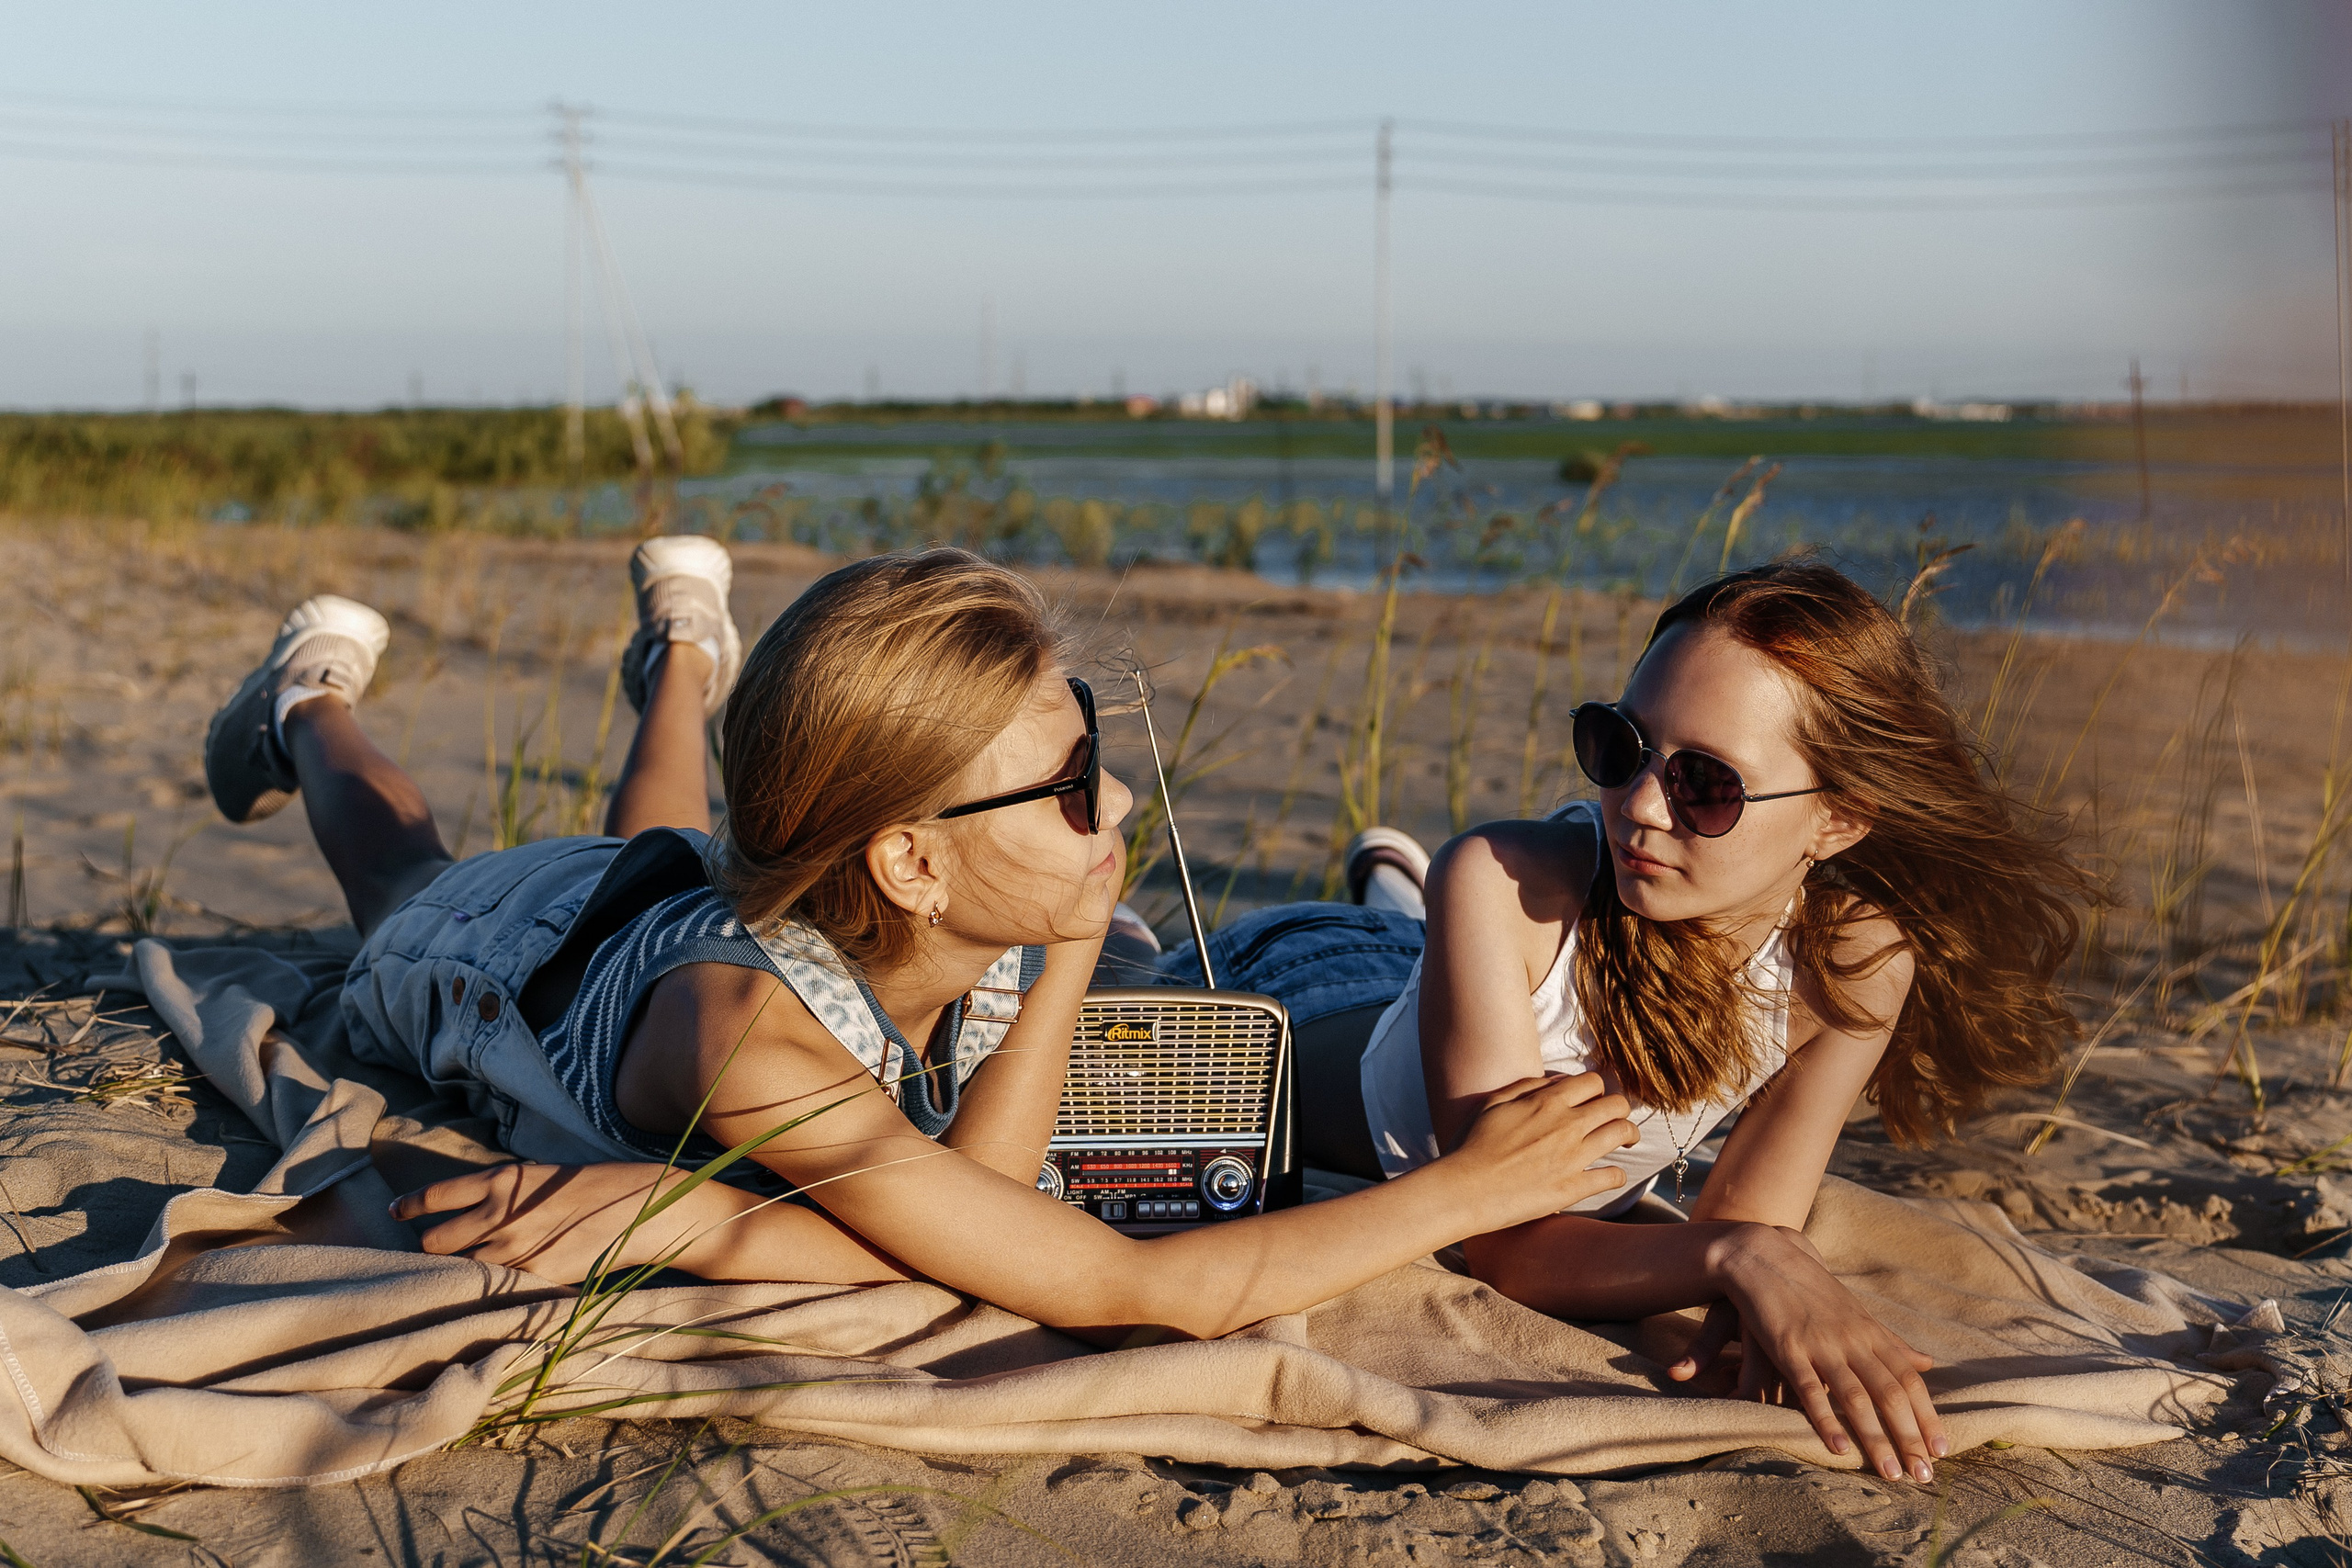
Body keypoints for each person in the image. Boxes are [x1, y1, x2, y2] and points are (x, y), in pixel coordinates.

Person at [200, 542, 1642, 1347]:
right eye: (1070, 786)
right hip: (518, 959)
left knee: (684, 838)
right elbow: (1129, 1285)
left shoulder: (944, 901)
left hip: (721, 903)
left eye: (1094, 744)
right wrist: (1463, 1189)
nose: (1117, 804)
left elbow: (975, 1200)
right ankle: (310, 699)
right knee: (401, 876)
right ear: (912, 860)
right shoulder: (749, 1047)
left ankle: (684, 651)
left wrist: (701, 1217)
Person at [1181, 558, 2093, 1488]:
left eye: (1705, 783)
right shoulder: (1497, 875)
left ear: (1838, 819)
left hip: (1451, 970)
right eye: (1622, 747)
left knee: (1416, 936)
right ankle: (1389, 888)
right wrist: (1745, 1257)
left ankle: (1393, 887)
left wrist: (1750, 1273)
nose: (1641, 807)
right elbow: (1509, 1243)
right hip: (1303, 988)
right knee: (1158, 969)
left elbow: (1742, 1229)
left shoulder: (1850, 967)